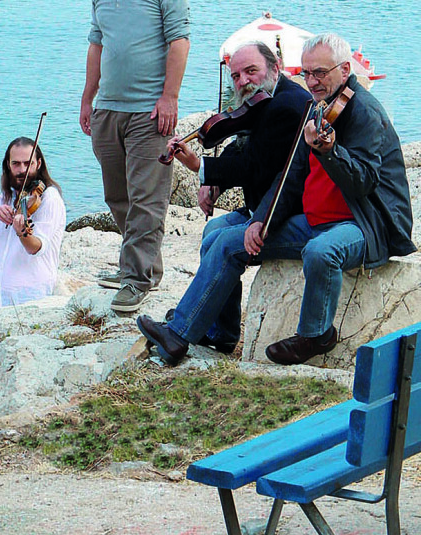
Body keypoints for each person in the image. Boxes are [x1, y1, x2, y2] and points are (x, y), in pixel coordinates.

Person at [137, 33, 415, 366]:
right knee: (228, 242)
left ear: (344, 69)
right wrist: (261, 220)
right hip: (317, 218)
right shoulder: (318, 105)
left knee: (321, 250)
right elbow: (291, 176)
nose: (311, 81)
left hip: (365, 224)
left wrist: (329, 151)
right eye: (307, 73)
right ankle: (181, 333)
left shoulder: (364, 112)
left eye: (320, 73)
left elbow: (362, 183)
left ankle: (315, 335)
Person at [162, 41, 312, 352]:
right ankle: (222, 331)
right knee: (211, 231)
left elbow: (253, 168)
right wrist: (215, 183)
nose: (243, 81)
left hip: (288, 212)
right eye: (236, 75)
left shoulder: (287, 106)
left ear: (275, 68)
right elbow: (243, 143)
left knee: (225, 243)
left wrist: (198, 166)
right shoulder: (266, 98)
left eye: (251, 71)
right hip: (265, 204)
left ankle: (180, 332)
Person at [80, 0, 190, 313]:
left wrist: (170, 97)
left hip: (150, 111)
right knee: (118, 197)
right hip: (108, 108)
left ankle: (137, 279)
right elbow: (96, 45)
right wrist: (88, 98)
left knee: (147, 198)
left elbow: (179, 42)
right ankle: (141, 267)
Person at [0, 137, 66, 321]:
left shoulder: (49, 199)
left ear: (38, 163)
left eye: (27, 163)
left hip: (28, 301)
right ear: (8, 165)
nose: (22, 170)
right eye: (16, 164)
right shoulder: (4, 198)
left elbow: (36, 247)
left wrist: (22, 232)